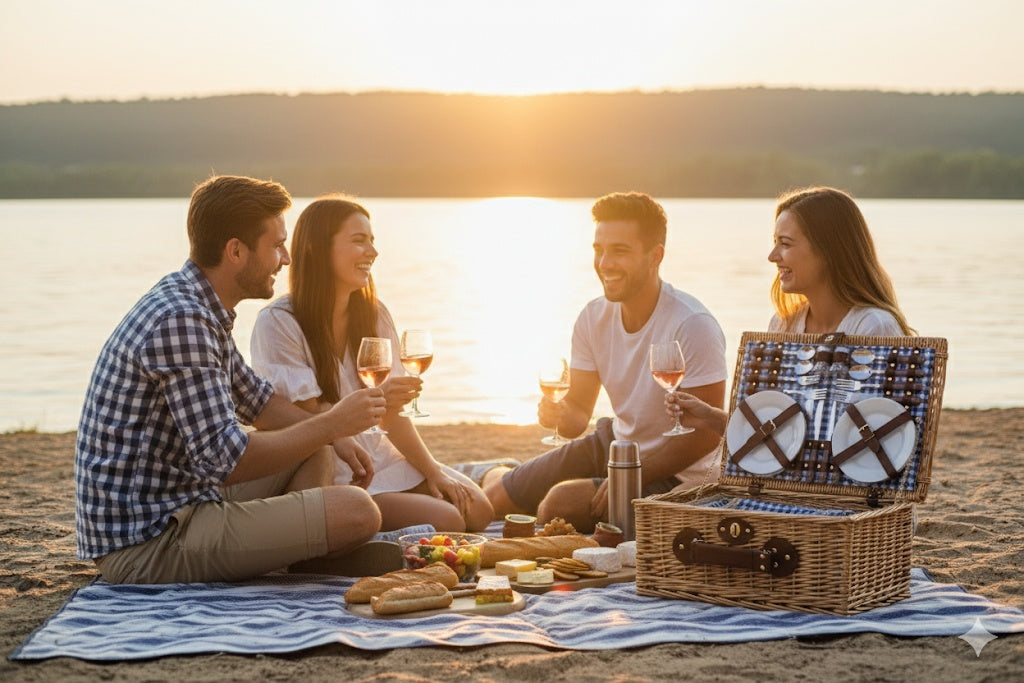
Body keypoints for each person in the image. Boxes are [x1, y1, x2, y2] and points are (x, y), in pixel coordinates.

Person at [75, 175, 391, 585]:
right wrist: (331, 423)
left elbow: (258, 401)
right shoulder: (182, 320)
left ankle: (307, 548)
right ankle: (313, 544)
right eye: (277, 245)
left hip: (182, 499)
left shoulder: (200, 307)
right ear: (236, 251)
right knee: (358, 510)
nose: (286, 259)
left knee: (317, 449)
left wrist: (335, 437)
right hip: (148, 541)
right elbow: (227, 459)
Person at [482, 191, 728, 532]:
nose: (605, 263)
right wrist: (559, 414)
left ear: (655, 256)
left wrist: (633, 474)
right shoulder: (592, 317)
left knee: (558, 505)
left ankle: (512, 472)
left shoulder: (692, 324)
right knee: (490, 502)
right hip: (615, 443)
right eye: (599, 250)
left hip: (680, 474)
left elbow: (707, 437)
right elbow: (577, 417)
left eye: (620, 251)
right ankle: (499, 473)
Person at [250, 195, 493, 535]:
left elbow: (392, 415)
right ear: (317, 248)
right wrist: (375, 403)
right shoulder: (279, 322)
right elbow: (310, 414)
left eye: (372, 241)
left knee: (478, 509)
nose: (373, 253)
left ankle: (385, 528)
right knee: (448, 521)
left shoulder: (374, 314)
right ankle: (360, 532)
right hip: (336, 462)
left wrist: (434, 470)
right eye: (359, 241)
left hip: (380, 454)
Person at [667, 185, 915, 430]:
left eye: (785, 244)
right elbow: (772, 430)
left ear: (828, 250)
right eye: (775, 243)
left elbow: (886, 437)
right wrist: (712, 417)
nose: (772, 256)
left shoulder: (873, 326)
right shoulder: (784, 323)